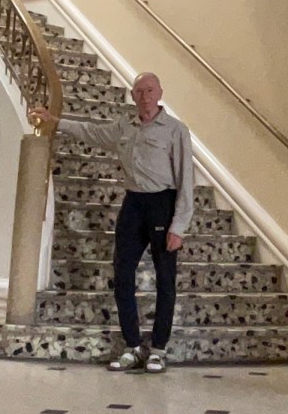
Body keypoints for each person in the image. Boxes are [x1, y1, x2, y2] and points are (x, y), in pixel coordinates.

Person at [31, 72, 192, 374]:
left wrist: (178, 226)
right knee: (122, 273)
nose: (145, 96)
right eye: (139, 91)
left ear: (159, 93)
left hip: (163, 205)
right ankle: (133, 346)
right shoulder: (124, 126)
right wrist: (56, 122)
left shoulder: (175, 130)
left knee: (165, 280)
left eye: (150, 90)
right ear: (132, 96)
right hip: (133, 204)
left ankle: (158, 348)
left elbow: (186, 179)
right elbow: (92, 131)